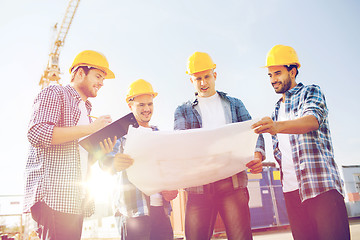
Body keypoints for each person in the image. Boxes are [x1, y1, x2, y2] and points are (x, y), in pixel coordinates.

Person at [252, 45, 350, 240]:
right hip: (292, 193)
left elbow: (312, 120)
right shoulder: (275, 111)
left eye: (277, 73)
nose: (273, 80)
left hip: (321, 187)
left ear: (293, 71)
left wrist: (277, 127)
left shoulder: (310, 92)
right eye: (270, 75)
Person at [24, 50, 115, 240]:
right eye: (98, 76)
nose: (101, 83)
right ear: (80, 73)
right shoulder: (54, 92)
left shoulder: (86, 111)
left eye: (103, 79)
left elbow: (77, 155)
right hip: (54, 197)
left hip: (75, 199)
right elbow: (37, 133)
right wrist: (90, 128)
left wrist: (99, 151)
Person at [174, 51, 266, 240]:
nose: (203, 82)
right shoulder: (182, 110)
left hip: (232, 185)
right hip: (198, 188)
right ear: (191, 80)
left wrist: (257, 154)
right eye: (197, 78)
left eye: (206, 76)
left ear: (214, 75)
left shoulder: (235, 104)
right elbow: (179, 145)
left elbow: (253, 131)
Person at [99, 79, 178, 240]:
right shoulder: (120, 133)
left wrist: (171, 189)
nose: (147, 109)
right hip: (133, 212)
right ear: (130, 106)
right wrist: (114, 163)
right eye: (141, 105)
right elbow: (105, 164)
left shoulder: (159, 134)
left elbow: (168, 169)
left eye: (150, 104)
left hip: (161, 211)